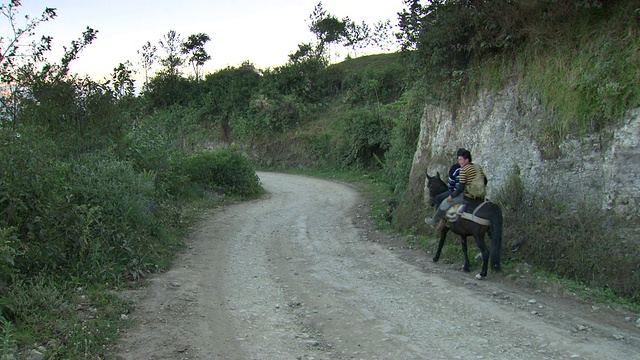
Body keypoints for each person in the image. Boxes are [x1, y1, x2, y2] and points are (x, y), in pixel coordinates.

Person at [427, 149, 486, 229]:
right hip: (481, 195)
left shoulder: (464, 170)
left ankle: (434, 221)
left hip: (467, 196)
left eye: (460, 159)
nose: (458, 161)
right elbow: (485, 180)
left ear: (467, 160)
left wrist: (452, 196)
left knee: (445, 204)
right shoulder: (477, 167)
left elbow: (460, 188)